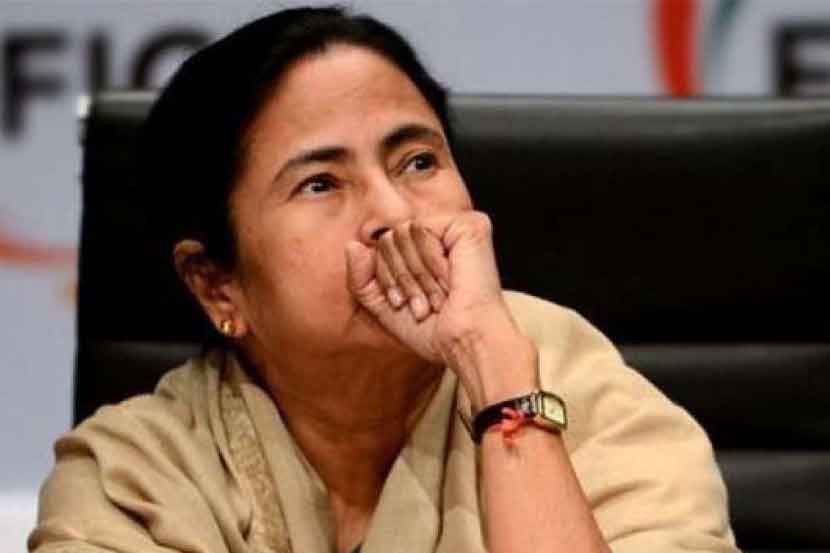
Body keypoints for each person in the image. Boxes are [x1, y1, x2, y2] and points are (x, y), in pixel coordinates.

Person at [29, 6, 739, 553]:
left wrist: (498, 378)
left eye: (418, 162)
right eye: (320, 183)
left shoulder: (581, 390)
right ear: (217, 284)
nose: (396, 214)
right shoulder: (134, 481)